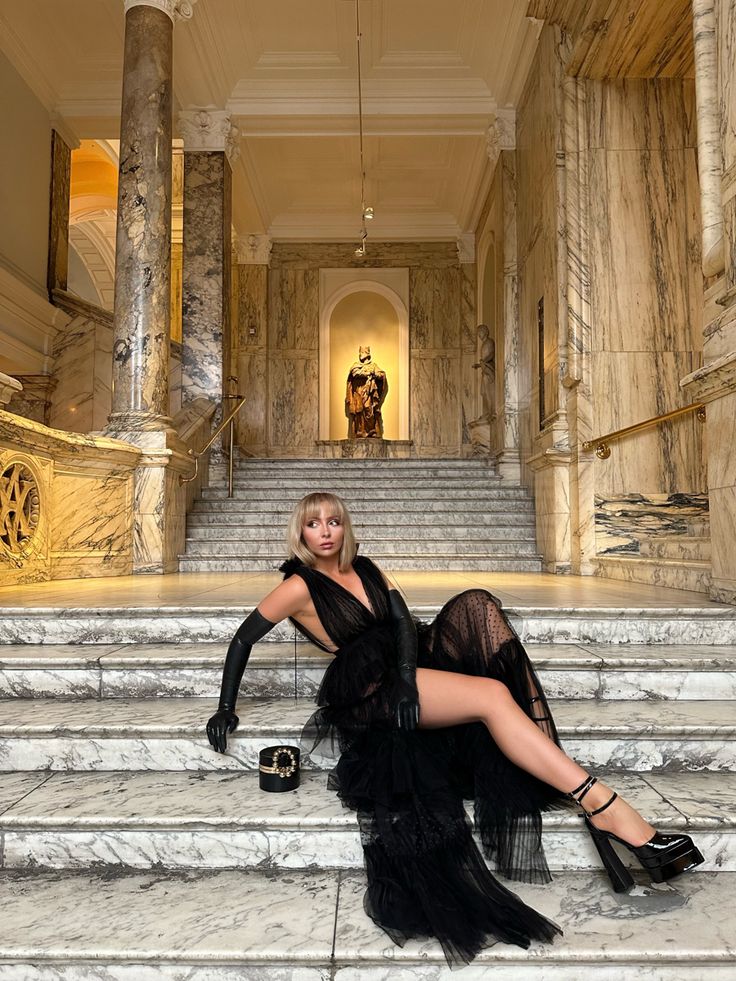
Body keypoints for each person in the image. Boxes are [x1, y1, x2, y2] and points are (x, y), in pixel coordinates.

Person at [206, 492, 703, 967]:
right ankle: (605, 807)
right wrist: (227, 706)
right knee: (491, 697)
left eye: (333, 521)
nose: (325, 532)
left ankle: (586, 793)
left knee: (477, 605)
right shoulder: (298, 586)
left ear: (345, 526)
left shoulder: (366, 567)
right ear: (301, 533)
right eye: (313, 524)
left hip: (402, 669)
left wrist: (407, 678)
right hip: (366, 690)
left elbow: (402, 623)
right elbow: (243, 639)